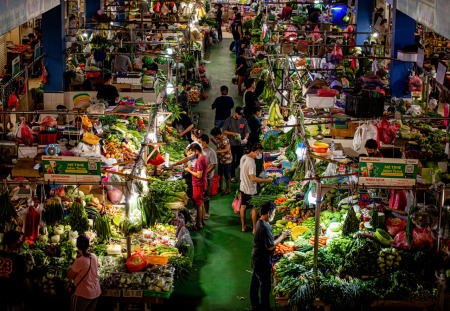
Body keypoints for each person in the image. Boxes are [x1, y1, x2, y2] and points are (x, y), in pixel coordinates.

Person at [250, 201, 290, 311]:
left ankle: (254, 304)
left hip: (256, 258)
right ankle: (265, 307)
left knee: (255, 281)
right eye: (273, 213)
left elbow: (266, 240)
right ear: (269, 213)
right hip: (262, 260)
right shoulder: (264, 226)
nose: (273, 215)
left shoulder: (260, 222)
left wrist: (276, 236)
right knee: (265, 285)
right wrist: (282, 237)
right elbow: (270, 246)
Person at [240, 144, 274, 233]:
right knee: (254, 208)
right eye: (261, 153)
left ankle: (243, 226)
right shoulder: (251, 163)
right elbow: (253, 178)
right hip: (250, 188)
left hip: (243, 186)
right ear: (256, 152)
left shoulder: (244, 157)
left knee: (243, 206)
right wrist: (266, 180)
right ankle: (255, 229)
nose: (260, 155)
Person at [67, 235, 101, 311]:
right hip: (96, 292)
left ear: (77, 246)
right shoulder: (94, 256)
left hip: (83, 294)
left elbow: (69, 276)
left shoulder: (79, 261)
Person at [0, 231, 32, 311]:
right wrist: (32, 292)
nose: (19, 241)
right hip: (13, 297)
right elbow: (25, 279)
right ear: (13, 242)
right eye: (18, 240)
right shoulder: (18, 259)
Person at [184, 143, 209, 230]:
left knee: (198, 204)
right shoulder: (204, 158)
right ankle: (201, 221)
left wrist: (188, 170)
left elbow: (198, 175)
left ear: (197, 151)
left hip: (198, 184)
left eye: (192, 153)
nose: (192, 155)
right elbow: (199, 170)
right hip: (202, 183)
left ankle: (198, 224)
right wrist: (191, 168)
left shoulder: (200, 160)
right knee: (201, 202)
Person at [223, 107, 250, 183]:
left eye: (241, 115)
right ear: (235, 113)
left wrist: (245, 139)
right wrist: (232, 133)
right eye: (239, 114)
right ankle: (233, 176)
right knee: (232, 159)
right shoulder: (229, 120)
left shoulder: (243, 120)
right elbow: (224, 131)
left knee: (240, 160)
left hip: (240, 144)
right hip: (231, 144)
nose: (240, 116)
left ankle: (232, 169)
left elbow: (247, 131)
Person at [199, 134, 217, 219]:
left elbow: (214, 165)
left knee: (206, 195)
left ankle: (206, 212)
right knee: (200, 194)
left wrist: (205, 173)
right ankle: (200, 211)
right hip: (199, 176)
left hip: (208, 177)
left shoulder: (211, 152)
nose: (199, 143)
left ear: (204, 142)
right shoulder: (200, 151)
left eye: (200, 142)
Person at [211, 127, 233, 195]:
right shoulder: (217, 139)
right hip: (221, 159)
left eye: (215, 136)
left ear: (218, 134)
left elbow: (227, 149)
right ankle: (221, 187)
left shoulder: (224, 139)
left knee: (227, 175)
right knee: (220, 174)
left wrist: (218, 152)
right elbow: (219, 145)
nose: (214, 137)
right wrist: (213, 142)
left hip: (227, 160)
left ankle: (227, 189)